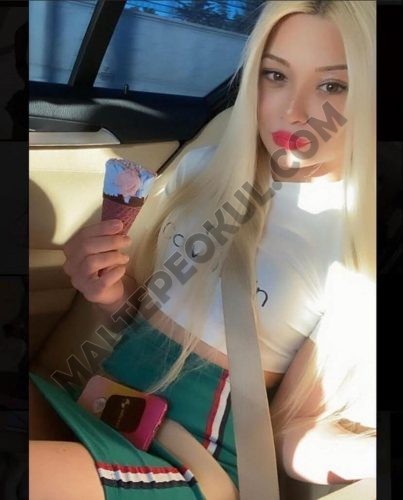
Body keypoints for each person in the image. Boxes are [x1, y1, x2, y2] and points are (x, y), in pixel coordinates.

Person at [29, 1, 376, 498]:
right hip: (100, 404)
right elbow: (142, 312)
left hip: (193, 460)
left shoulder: (354, 249)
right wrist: (107, 292)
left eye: (333, 85)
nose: (292, 110)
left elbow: (295, 430)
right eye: (275, 75)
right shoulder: (204, 169)